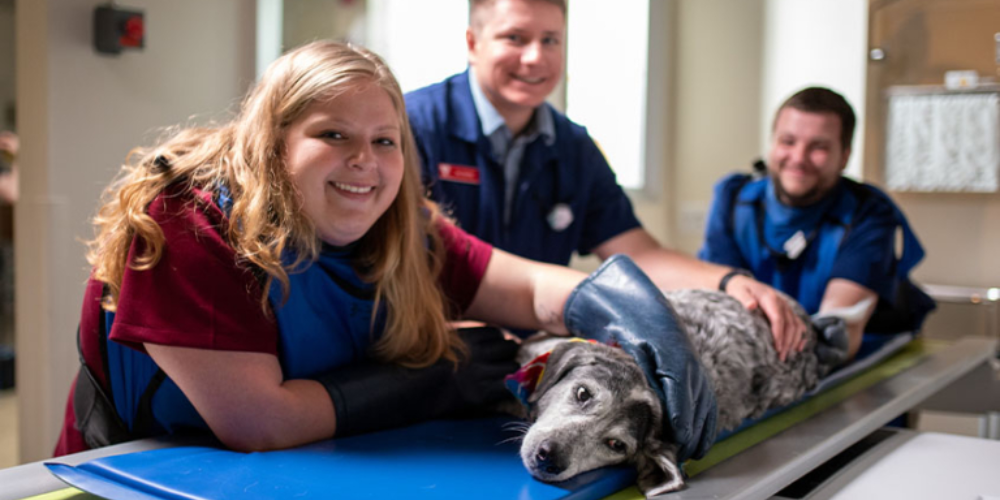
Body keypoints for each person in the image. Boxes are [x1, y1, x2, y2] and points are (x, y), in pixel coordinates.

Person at [54, 41, 717, 463]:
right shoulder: (187, 224)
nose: (364, 164)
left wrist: (626, 308)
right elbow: (260, 421)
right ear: (274, 143)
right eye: (333, 134)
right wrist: (435, 379)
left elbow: (529, 291)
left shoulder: (401, 226)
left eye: (385, 140)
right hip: (136, 473)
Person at [405, 0, 807, 361]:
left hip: (526, 357)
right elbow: (379, 259)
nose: (535, 57)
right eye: (515, 37)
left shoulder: (574, 147)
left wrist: (729, 282)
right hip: (428, 350)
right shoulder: (410, 128)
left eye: (551, 40)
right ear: (473, 43)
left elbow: (638, 254)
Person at [699, 87, 935, 359]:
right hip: (759, 352)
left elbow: (836, 333)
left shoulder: (869, 213)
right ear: (772, 143)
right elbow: (719, 303)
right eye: (788, 141)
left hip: (861, 360)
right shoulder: (733, 197)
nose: (798, 159)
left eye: (819, 147)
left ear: (844, 156)